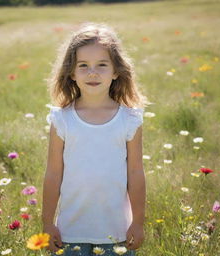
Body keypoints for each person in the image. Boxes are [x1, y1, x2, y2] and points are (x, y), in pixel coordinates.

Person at [42, 22, 152, 256]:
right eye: (83, 65)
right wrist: (47, 223)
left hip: (117, 232)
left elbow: (135, 173)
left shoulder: (129, 119)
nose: (92, 72)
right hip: (70, 232)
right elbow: (53, 173)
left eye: (102, 65)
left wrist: (138, 222)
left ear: (115, 71)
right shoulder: (62, 119)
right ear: (71, 72)